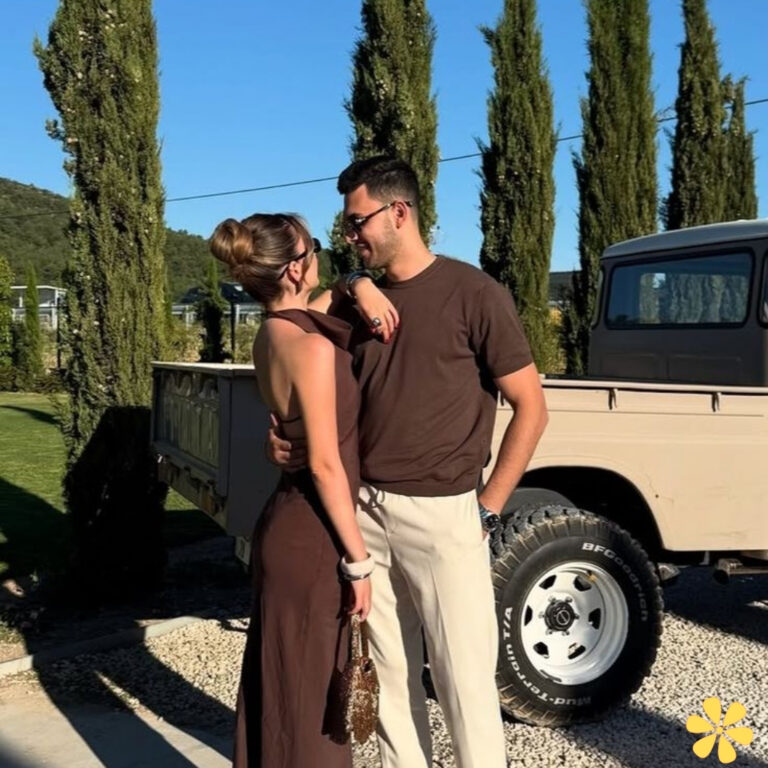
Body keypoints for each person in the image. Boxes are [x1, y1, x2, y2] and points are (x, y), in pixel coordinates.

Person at [270, 156, 549, 768]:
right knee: (391, 686)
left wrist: (488, 509)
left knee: (464, 684)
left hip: (447, 517)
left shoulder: (474, 294)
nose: (349, 236)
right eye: (345, 228)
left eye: (356, 222)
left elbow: (530, 407)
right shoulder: (351, 303)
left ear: (399, 213)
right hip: (366, 515)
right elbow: (291, 328)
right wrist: (350, 282)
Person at [209, 212, 394, 768]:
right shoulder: (309, 347)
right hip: (314, 535)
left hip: (288, 524)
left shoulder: (272, 333)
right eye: (313, 247)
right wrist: (358, 564)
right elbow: (325, 466)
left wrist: (359, 283)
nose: (321, 255)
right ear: (294, 270)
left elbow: (330, 300)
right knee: (312, 704)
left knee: (283, 692)